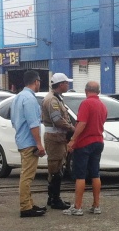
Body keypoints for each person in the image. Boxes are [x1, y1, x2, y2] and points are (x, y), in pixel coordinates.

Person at [65, 80, 108, 215]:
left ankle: (77, 207)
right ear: (98, 92)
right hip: (98, 141)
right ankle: (96, 205)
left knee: (80, 175)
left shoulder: (86, 103)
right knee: (95, 174)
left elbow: (82, 123)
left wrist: (73, 140)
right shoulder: (103, 105)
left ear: (86, 91)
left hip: (84, 143)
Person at [12, 71, 47, 218]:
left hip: (21, 139)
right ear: (36, 82)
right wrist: (39, 144)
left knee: (27, 174)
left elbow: (14, 120)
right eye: (39, 81)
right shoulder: (30, 99)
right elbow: (33, 124)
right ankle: (25, 207)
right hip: (29, 142)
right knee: (27, 176)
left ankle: (29, 203)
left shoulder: (18, 97)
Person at [41, 72, 75, 210]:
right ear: (61, 84)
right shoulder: (52, 100)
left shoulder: (57, 98)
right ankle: (55, 199)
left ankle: (53, 198)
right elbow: (57, 120)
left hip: (59, 138)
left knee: (58, 167)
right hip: (55, 139)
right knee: (55, 169)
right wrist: (72, 128)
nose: (68, 85)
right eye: (67, 83)